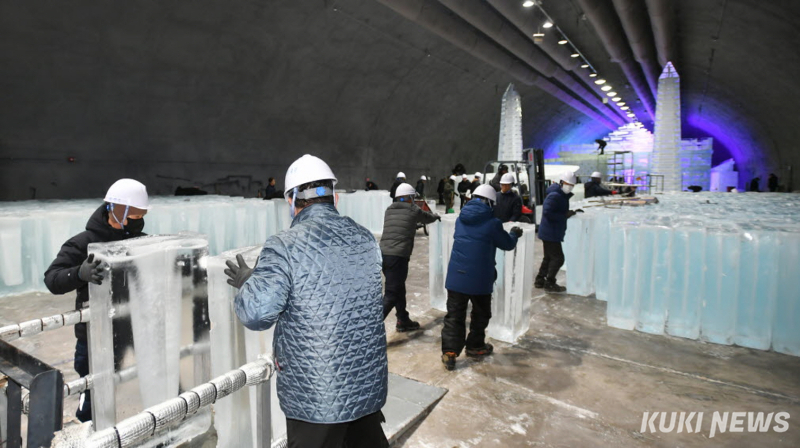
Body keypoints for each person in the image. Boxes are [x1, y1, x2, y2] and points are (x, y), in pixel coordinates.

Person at [226, 155, 389, 448]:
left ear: (291, 200)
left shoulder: (284, 245)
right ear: (334, 196)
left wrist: (250, 281)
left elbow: (256, 313)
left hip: (316, 397)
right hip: (366, 390)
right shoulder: (365, 238)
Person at [44, 178, 150, 422]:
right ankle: (89, 428)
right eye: (134, 216)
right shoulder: (83, 243)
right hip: (94, 337)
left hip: (133, 329)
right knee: (93, 392)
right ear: (118, 210)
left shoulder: (141, 241)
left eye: (141, 216)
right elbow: (52, 279)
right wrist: (78, 274)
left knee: (139, 381)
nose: (139, 221)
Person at [441, 184, 521, 370]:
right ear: (490, 203)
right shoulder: (493, 223)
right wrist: (514, 234)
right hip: (480, 279)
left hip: (456, 277)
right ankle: (475, 346)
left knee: (454, 315)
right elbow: (507, 244)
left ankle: (450, 353)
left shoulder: (460, 219)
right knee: (480, 314)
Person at [380, 183, 440, 331]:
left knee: (398, 288)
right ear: (409, 198)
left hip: (384, 255)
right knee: (392, 294)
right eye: (412, 197)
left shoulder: (389, 210)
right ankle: (369, 329)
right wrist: (436, 216)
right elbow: (427, 217)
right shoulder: (413, 210)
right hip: (398, 256)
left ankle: (403, 319)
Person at [536, 172, 582, 293]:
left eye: (572, 185)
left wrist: (570, 212)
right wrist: (564, 215)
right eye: (568, 184)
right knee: (558, 259)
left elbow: (557, 210)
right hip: (551, 232)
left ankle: (540, 280)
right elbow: (548, 212)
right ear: (561, 182)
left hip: (550, 231)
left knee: (548, 257)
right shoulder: (555, 195)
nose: (570, 187)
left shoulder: (560, 194)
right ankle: (550, 282)